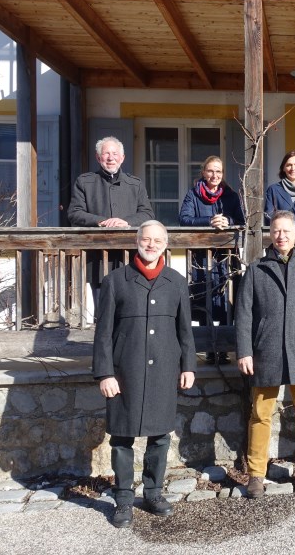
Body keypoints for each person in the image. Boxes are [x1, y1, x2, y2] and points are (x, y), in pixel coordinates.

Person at [92, 221, 196, 529]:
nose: (150, 245)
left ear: (166, 244)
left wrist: (188, 366)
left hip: (165, 369)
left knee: (160, 436)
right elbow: (103, 334)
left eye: (157, 240)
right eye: (145, 239)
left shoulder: (176, 282)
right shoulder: (115, 281)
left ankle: (153, 493)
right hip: (125, 371)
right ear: (136, 241)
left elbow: (185, 331)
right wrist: (105, 373)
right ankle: (123, 499)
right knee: (121, 437)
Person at [235, 211, 295, 498]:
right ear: (270, 234)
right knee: (260, 414)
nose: (281, 236)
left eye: (286, 231)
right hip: (266, 351)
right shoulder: (256, 270)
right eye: (276, 231)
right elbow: (243, 316)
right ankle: (256, 474)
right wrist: (244, 351)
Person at [68, 136, 155, 310]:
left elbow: (147, 214)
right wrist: (101, 221)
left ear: (122, 158)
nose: (110, 157)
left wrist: (126, 222)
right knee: (103, 312)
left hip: (130, 258)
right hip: (99, 259)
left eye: (115, 153)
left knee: (131, 311)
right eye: (106, 153)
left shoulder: (135, 184)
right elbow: (74, 213)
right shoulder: (85, 182)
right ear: (98, 157)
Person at [178, 155, 245, 364]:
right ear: (203, 173)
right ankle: (208, 347)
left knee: (226, 301)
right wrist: (210, 221)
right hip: (201, 259)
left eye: (219, 171)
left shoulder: (231, 196)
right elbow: (184, 219)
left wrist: (228, 220)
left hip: (226, 259)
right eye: (211, 171)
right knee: (203, 299)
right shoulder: (193, 195)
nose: (215, 175)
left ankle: (224, 348)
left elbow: (243, 221)